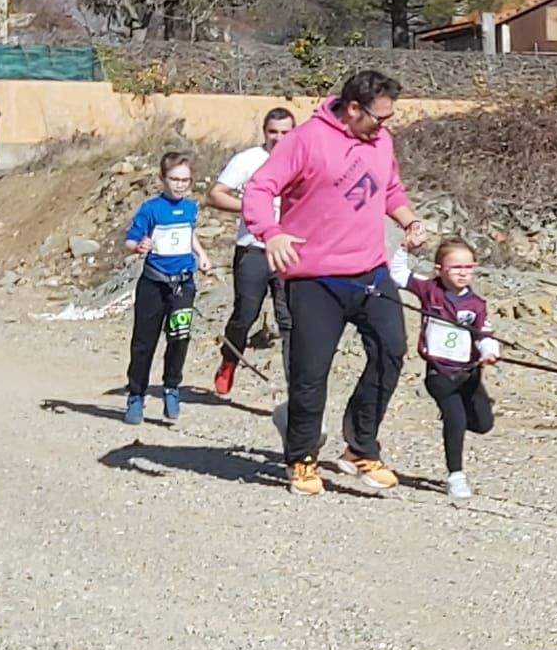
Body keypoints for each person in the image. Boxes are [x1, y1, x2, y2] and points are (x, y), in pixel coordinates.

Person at [243, 70, 427, 497]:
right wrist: (271, 233)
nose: (385, 125)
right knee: (310, 374)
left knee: (391, 352)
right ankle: (302, 459)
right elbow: (259, 188)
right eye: (378, 117)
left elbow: (390, 189)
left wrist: (409, 220)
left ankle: (360, 449)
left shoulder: (381, 141)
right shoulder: (306, 140)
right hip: (315, 277)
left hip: (370, 271)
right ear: (353, 109)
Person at [402, 239, 499, 504]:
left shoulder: (477, 303)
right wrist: (404, 248)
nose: (463, 272)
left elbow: (485, 333)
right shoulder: (429, 290)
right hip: (440, 375)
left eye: (469, 266)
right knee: (455, 420)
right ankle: (455, 476)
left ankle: (456, 417)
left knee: (483, 424)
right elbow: (399, 275)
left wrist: (489, 351)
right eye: (456, 267)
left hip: (469, 375)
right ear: (439, 269)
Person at [208, 107, 296, 395]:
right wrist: (251, 208)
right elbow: (216, 194)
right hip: (254, 249)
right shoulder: (248, 160)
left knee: (290, 321)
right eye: (273, 132)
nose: (279, 138)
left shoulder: (304, 160)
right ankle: (229, 359)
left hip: (291, 251)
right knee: (245, 314)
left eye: (285, 132)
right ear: (264, 132)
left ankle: (296, 387)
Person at [123, 150, 210, 425]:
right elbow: (130, 239)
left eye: (185, 180)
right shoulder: (151, 208)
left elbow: (189, 234)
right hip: (154, 282)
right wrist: (139, 246)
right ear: (163, 179)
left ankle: (172, 387)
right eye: (174, 179)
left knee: (179, 337)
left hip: (183, 283)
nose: (180, 185)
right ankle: (136, 394)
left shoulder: (190, 208)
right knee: (143, 343)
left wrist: (202, 254)